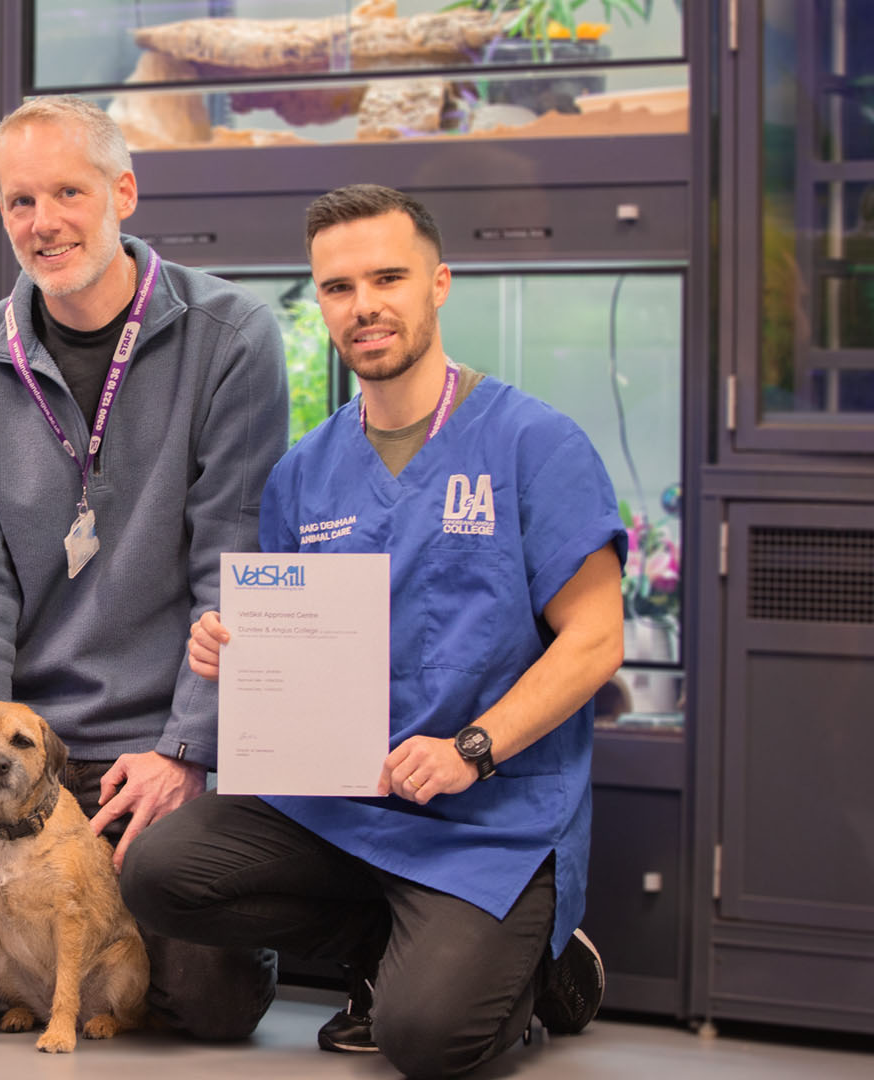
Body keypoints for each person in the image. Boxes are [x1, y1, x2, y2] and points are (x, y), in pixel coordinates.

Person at [119, 184, 626, 1078]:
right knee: (159, 870)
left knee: (427, 1041)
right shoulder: (303, 475)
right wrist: (230, 646)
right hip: (347, 807)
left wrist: (472, 747)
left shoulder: (534, 445)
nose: (364, 306)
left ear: (439, 283)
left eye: (388, 277)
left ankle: (541, 962)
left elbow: (595, 640)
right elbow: (298, 650)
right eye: (338, 287)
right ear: (320, 302)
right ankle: (386, 948)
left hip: (487, 816)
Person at [0, 96, 289, 1040]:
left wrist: (187, 750)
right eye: (20, 201)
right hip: (19, 746)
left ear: (123, 192)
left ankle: (117, 917)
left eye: (68, 191)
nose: (43, 222)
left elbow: (235, 565)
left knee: (214, 1007)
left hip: (161, 740)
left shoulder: (232, 339)